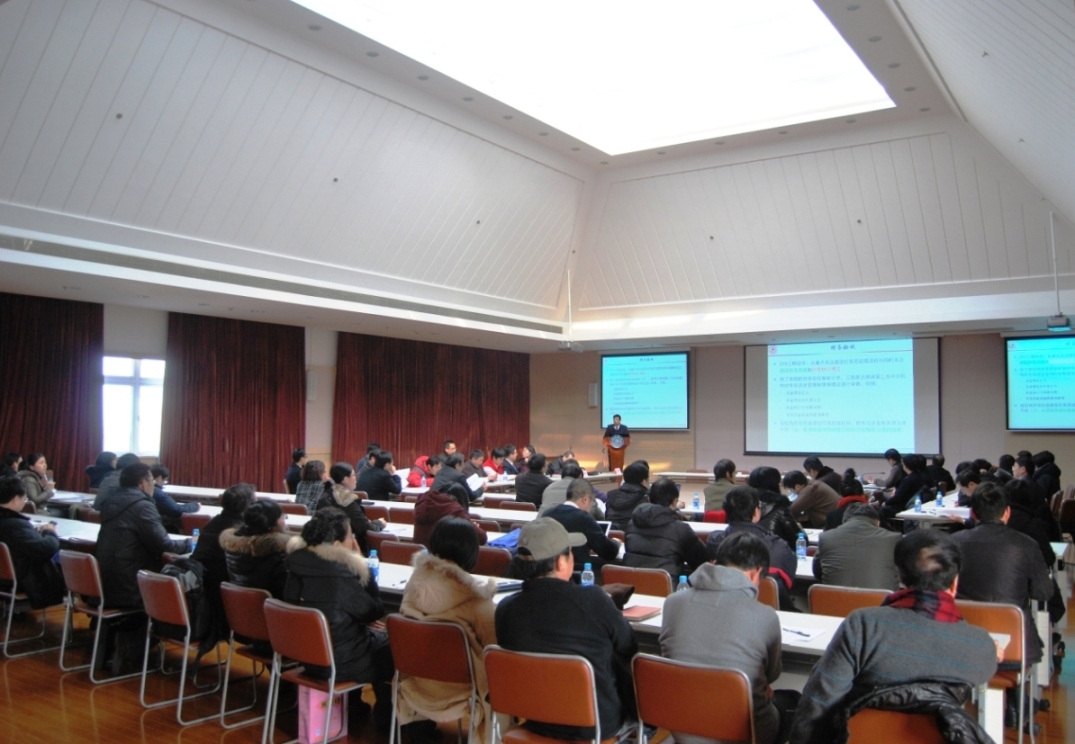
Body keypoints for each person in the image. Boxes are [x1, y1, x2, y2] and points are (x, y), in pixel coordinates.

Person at [788, 530, 998, 744]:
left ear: (900, 577)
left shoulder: (864, 624)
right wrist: (990, 649)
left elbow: (820, 698)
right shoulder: (981, 647)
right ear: (954, 584)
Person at [495, 518, 637, 742]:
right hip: (595, 725)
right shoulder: (594, 601)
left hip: (535, 718)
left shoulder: (505, 609)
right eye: (570, 552)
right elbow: (630, 649)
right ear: (561, 562)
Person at [661, 532, 799, 744]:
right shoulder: (765, 616)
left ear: (715, 562)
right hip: (746, 731)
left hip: (681, 724)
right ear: (756, 573)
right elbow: (772, 674)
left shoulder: (673, 603)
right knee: (794, 701)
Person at [283, 507, 394, 731]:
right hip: (337, 663)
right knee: (389, 646)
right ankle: (386, 718)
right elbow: (374, 611)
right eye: (350, 536)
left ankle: (353, 707)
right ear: (336, 545)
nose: (353, 540)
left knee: (360, 635)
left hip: (304, 655)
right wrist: (361, 564)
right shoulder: (339, 574)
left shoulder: (296, 563)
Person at [398, 518, 498, 744]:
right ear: (472, 552)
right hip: (461, 691)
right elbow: (494, 647)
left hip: (415, 682)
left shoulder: (414, 583)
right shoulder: (476, 600)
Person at [952, 483, 1053, 666]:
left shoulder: (953, 543)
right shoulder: (1027, 544)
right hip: (1014, 648)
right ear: (1007, 512)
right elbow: (1043, 593)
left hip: (962, 646)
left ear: (972, 513)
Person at [97, 463, 192, 608]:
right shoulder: (143, 507)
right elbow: (165, 546)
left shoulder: (109, 502)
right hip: (132, 585)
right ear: (142, 483)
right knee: (187, 580)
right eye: (152, 481)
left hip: (105, 583)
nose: (154, 485)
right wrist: (191, 543)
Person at [706, 486, 797, 608]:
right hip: (770, 610)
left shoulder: (713, 542)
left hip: (721, 608)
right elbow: (789, 583)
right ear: (756, 512)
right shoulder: (779, 547)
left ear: (726, 512)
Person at [191, 482, 255, 648]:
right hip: (227, 606)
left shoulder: (211, 524)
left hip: (204, 597)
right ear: (248, 506)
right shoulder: (242, 532)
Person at [623, 477, 707, 580]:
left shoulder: (631, 524)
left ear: (649, 499)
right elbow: (702, 562)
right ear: (675, 501)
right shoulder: (681, 529)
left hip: (631, 584)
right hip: (666, 587)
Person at [0, 475, 64, 609]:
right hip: (26, 580)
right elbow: (45, 549)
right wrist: (50, 532)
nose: (25, 501)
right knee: (64, 559)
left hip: (6, 577)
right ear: (16, 500)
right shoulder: (15, 524)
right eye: (24, 498)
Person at [812, 503, 900, 590]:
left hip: (835, 598)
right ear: (877, 522)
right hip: (881, 598)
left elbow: (817, 571)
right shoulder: (893, 539)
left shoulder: (826, 537)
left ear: (844, 521)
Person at [543, 478, 621, 570]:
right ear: (585, 499)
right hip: (577, 572)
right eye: (592, 501)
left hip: (548, 569)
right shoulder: (584, 519)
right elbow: (608, 553)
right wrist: (616, 542)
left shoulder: (546, 514)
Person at [221, 499, 290, 599]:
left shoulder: (231, 548)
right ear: (270, 525)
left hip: (237, 604)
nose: (284, 520)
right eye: (282, 517)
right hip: (271, 606)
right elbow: (284, 592)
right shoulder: (279, 554)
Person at [317, 462, 387, 555]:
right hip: (348, 547)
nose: (356, 478)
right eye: (354, 475)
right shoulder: (346, 499)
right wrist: (379, 523)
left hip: (325, 544)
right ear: (346, 479)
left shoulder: (326, 493)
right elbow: (365, 528)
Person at [413, 484, 488, 548]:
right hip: (446, 558)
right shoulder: (455, 510)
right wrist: (470, 528)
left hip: (421, 557)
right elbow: (482, 538)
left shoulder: (423, 506)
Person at [747, 466, 802, 551]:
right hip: (773, 552)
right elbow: (798, 540)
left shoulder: (741, 503)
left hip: (743, 551)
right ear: (775, 484)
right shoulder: (780, 505)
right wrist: (800, 529)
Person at [877, 453, 929, 520]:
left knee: (881, 510)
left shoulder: (908, 480)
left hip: (903, 506)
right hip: (912, 503)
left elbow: (898, 497)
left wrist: (886, 503)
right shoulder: (920, 476)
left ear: (905, 466)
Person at [150, 464, 199, 534]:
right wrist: (196, 505)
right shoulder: (158, 493)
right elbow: (177, 510)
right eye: (165, 480)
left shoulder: (143, 489)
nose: (164, 483)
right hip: (157, 528)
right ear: (159, 478)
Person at [605, 460, 650, 530]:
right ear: (643, 481)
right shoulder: (646, 497)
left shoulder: (611, 496)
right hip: (635, 534)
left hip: (612, 534)